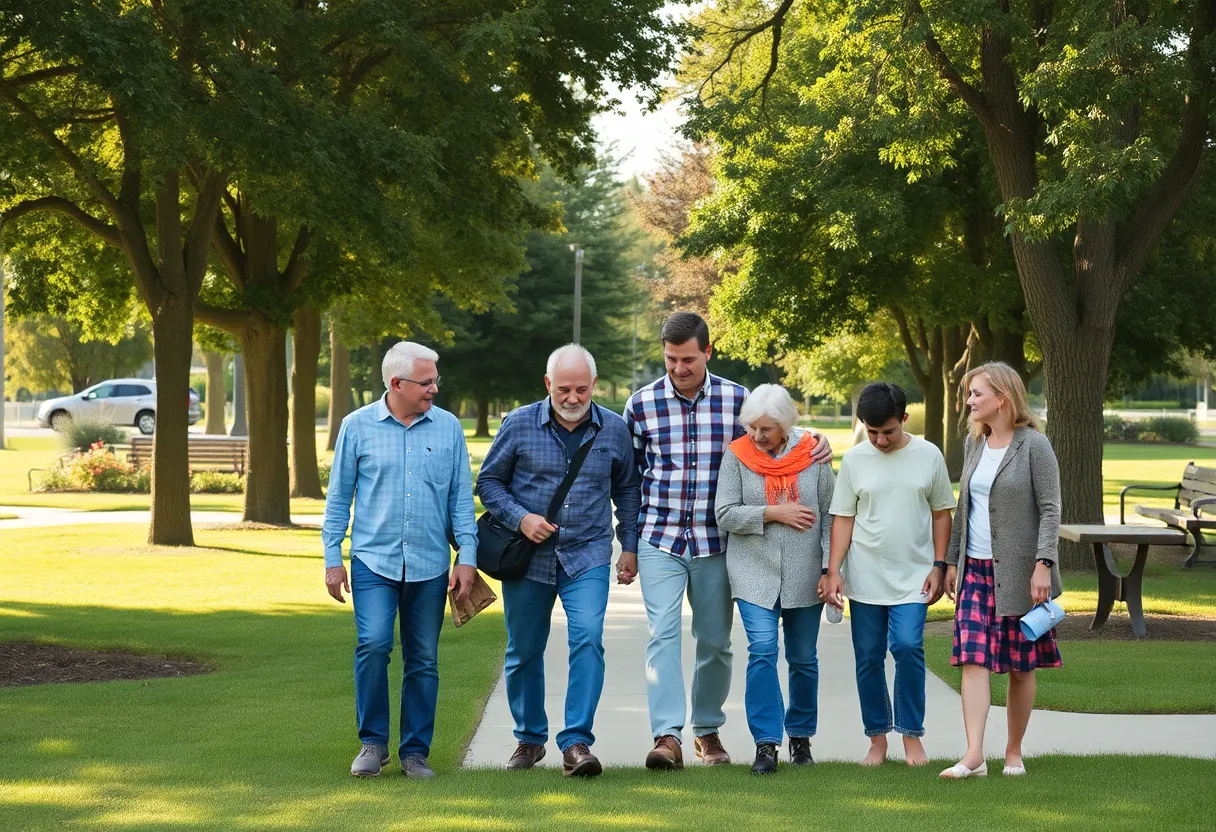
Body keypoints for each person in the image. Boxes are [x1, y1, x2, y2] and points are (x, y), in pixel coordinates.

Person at [622, 312, 831, 770]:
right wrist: (630, 545)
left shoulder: (738, 400)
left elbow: (778, 438)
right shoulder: (640, 405)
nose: (679, 368)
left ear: (708, 353)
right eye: (671, 359)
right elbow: (629, 480)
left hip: (717, 542)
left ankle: (707, 729)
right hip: (660, 537)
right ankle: (667, 735)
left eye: (688, 359)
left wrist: (818, 442)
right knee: (663, 634)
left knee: (715, 641)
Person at [475, 344, 641, 778]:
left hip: (587, 554)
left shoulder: (614, 429)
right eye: (564, 389)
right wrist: (522, 517)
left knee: (587, 639)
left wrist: (629, 546)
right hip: (528, 558)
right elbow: (488, 482)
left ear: (594, 385)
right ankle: (529, 739)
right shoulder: (519, 423)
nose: (572, 398)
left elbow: (627, 490)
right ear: (548, 384)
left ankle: (576, 743)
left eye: (581, 389)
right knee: (523, 649)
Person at [322, 341, 479, 779]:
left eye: (435, 380)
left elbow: (460, 500)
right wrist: (333, 559)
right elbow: (338, 500)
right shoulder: (357, 426)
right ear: (397, 383)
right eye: (426, 382)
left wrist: (467, 557)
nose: (435, 388)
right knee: (374, 644)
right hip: (373, 562)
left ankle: (415, 753)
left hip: (430, 565)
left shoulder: (448, 427)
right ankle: (373, 744)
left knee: (423, 658)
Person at [818, 382, 954, 767]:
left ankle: (912, 736)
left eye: (888, 431)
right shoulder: (855, 459)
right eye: (872, 431)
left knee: (908, 647)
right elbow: (844, 518)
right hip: (865, 577)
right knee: (868, 657)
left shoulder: (929, 455)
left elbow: (942, 513)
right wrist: (833, 570)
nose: (879, 440)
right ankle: (877, 739)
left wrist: (939, 565)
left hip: (915, 576)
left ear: (904, 419)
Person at [940, 362, 1063, 779]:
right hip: (974, 572)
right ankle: (974, 755)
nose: (969, 401)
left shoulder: (1034, 446)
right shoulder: (974, 443)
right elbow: (964, 507)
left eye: (976, 393)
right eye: (969, 394)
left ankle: (1013, 751)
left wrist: (1043, 564)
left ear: (1003, 398)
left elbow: (1051, 509)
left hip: (1020, 575)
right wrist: (952, 560)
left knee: (1020, 667)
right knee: (972, 660)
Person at [715, 384, 835, 774]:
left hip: (805, 572)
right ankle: (765, 743)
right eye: (751, 427)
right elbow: (724, 513)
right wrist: (772, 513)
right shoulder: (737, 456)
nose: (757, 435)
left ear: (785, 425)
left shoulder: (813, 453)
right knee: (763, 649)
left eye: (765, 429)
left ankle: (800, 736)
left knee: (803, 658)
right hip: (753, 572)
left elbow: (832, 516)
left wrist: (829, 569)